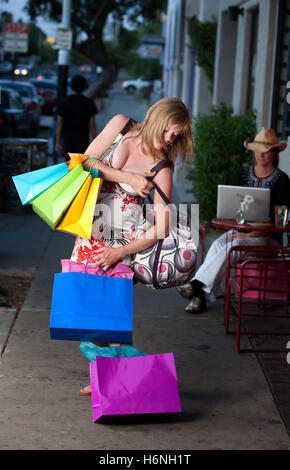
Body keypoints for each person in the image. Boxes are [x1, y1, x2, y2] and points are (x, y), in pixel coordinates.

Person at [71, 97, 194, 395]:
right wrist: (127, 177)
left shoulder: (162, 167)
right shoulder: (120, 124)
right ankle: (115, 376)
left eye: (175, 136)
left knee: (111, 311)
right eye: (168, 131)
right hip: (91, 231)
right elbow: (83, 161)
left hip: (124, 243)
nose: (169, 139)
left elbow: (163, 225)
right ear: (156, 118)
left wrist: (121, 252)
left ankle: (125, 383)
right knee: (89, 308)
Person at [177, 127, 290, 314]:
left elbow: (280, 222)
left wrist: (249, 233)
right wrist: (238, 231)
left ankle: (196, 289)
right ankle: (200, 295)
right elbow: (229, 207)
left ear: (274, 152)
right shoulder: (242, 174)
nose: (260, 155)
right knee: (218, 245)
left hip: (268, 241)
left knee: (232, 247)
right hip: (240, 233)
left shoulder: (283, 181)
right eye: (257, 150)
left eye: (266, 151)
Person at [55, 74, 98, 161]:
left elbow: (59, 124)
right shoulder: (89, 103)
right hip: (83, 141)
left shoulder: (64, 102)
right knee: (81, 166)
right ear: (83, 87)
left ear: (71, 86)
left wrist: (58, 142)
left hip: (67, 141)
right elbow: (93, 126)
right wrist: (95, 144)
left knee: (69, 165)